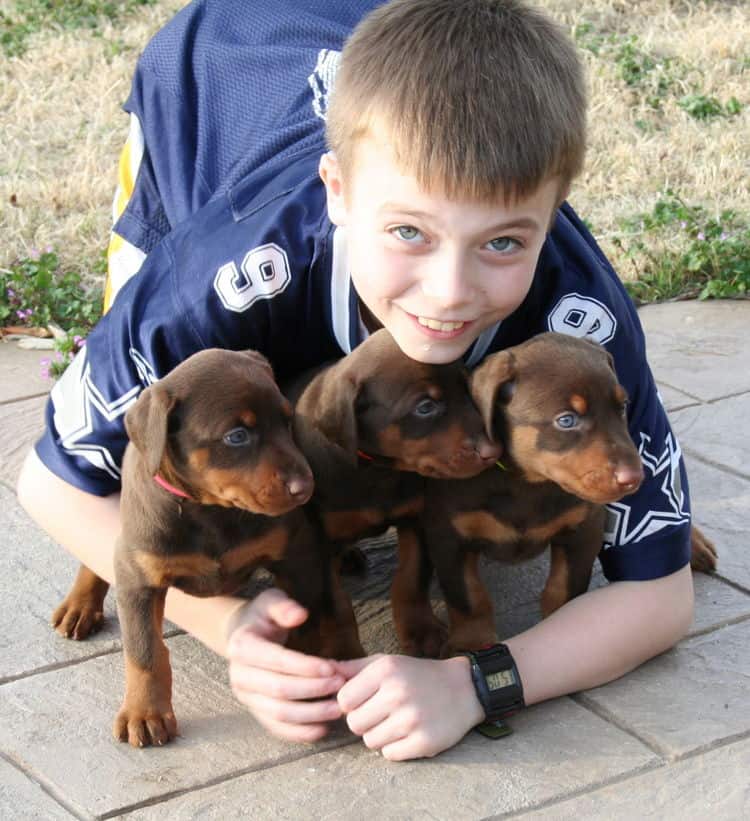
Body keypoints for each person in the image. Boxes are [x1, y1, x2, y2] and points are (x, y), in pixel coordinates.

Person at [17, 0, 694, 761]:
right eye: (410, 230)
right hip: (216, 64)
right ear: (336, 190)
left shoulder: (579, 311)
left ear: (554, 208)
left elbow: (662, 599)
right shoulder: (216, 283)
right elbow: (50, 485)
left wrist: (479, 682)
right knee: (119, 437)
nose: (448, 292)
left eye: (504, 240)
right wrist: (230, 626)